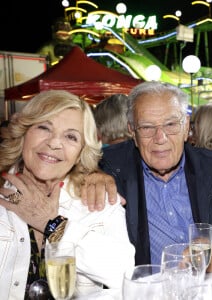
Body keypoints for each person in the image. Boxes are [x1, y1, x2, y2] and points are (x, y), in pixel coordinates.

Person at [98, 81, 212, 272]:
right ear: (132, 132)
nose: (160, 138)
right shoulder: (108, 167)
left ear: (186, 127)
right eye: (147, 127)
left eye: (171, 124)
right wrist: (87, 174)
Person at [0, 90, 135, 299]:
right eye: (44, 127)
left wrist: (52, 224)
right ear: (24, 132)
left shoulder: (99, 199)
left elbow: (124, 273)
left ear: (81, 150)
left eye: (71, 136)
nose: (54, 143)